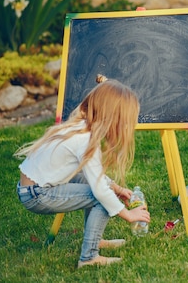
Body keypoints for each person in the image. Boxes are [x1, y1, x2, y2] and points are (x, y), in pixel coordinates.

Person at [14, 77, 151, 268]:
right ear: (113, 118)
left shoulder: (81, 126)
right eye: (126, 121)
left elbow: (93, 176)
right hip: (38, 194)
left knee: (100, 189)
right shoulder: (86, 140)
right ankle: (88, 257)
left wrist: (117, 187)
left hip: (31, 188)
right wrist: (128, 214)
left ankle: (96, 240)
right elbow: (100, 191)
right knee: (101, 197)